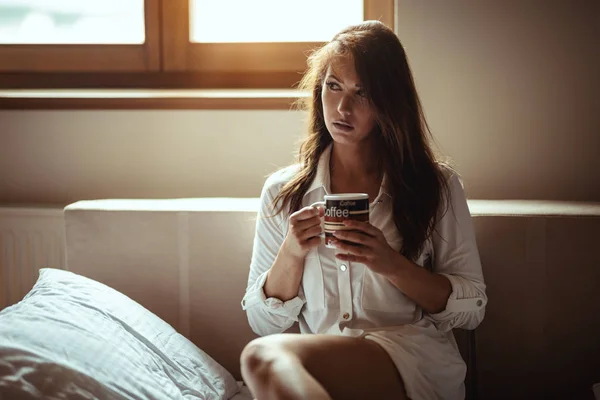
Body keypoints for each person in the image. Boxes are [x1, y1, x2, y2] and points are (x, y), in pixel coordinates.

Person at [240, 20, 487, 400]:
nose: (342, 107)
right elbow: (262, 321)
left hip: (411, 359)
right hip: (328, 367)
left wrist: (390, 262)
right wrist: (291, 251)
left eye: (363, 93)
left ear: (390, 102)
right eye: (333, 86)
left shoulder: (435, 187)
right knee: (267, 354)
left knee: (263, 358)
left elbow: (472, 309)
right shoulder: (284, 193)